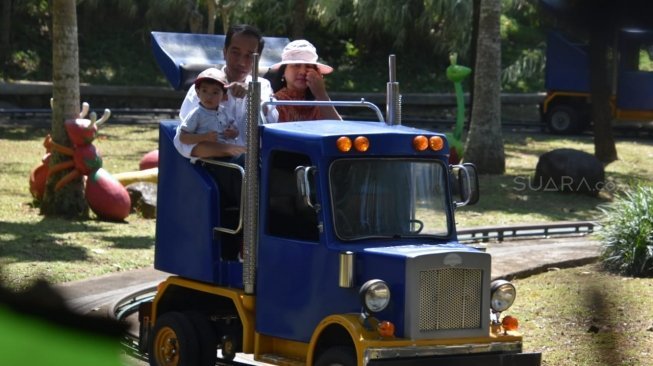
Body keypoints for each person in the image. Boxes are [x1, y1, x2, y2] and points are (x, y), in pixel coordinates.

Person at [179, 23, 278, 156]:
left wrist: (252, 94)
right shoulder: (202, 88)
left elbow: (273, 124)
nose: (241, 62)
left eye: (249, 56)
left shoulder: (263, 86)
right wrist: (227, 151)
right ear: (225, 52)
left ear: (258, 59)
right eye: (235, 53)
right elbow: (182, 142)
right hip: (218, 166)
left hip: (259, 164)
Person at [174, 67, 243, 159]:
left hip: (226, 156)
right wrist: (204, 137)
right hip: (208, 160)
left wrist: (233, 133)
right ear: (198, 93)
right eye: (204, 91)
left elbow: (235, 130)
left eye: (215, 92)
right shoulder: (196, 114)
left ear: (224, 97)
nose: (209, 96)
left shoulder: (224, 112)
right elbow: (183, 138)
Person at [269, 39, 341, 122]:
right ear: (283, 72)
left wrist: (321, 94)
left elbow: (339, 129)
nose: (303, 72)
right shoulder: (273, 103)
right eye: (296, 65)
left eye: (308, 66)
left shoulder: (320, 104)